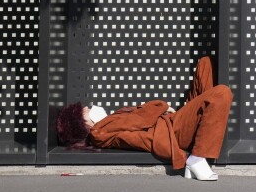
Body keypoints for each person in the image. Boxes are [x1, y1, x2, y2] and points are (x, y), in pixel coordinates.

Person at [55, 56, 232, 181]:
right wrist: (161, 105)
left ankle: (204, 127)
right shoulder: (99, 130)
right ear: (85, 124)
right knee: (221, 93)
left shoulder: (105, 126)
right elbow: (142, 120)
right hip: (173, 130)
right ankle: (198, 157)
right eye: (83, 111)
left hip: (170, 121)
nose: (88, 107)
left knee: (205, 64)